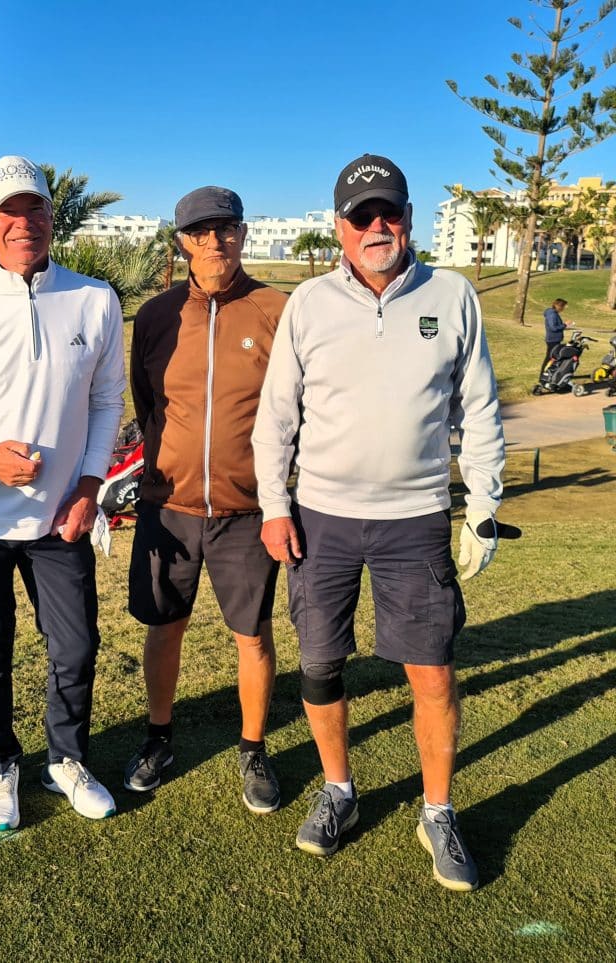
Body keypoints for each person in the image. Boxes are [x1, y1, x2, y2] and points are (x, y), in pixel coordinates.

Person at [253, 153, 510, 892]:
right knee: (320, 663)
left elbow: (480, 410)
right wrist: (274, 505)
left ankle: (437, 810)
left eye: (388, 212)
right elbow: (277, 416)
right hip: (322, 518)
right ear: (340, 226)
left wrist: (483, 507)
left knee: (431, 669)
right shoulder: (309, 303)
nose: (376, 227)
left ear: (408, 217)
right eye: (360, 215)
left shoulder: (452, 295)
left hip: (415, 517)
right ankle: (339, 789)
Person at [0, 155, 125, 831]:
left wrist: (90, 487)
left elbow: (107, 401)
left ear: (51, 215)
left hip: (60, 519)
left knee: (75, 647)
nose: (23, 223)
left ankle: (65, 759)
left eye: (34, 208)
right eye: (7, 212)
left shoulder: (95, 298)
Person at [123, 186, 288, 812]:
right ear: (182, 242)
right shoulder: (157, 315)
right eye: (200, 232)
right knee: (164, 628)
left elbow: (293, 406)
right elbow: (147, 403)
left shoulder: (276, 308)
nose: (215, 241)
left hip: (248, 510)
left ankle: (253, 747)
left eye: (226, 228)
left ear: (243, 233)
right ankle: (158, 737)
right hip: (170, 507)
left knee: (252, 634)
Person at [540, 298, 569, 378]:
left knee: (553, 358)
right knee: (550, 358)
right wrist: (564, 325)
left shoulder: (553, 313)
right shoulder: (552, 314)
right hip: (553, 340)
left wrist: (563, 326)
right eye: (563, 306)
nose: (564, 309)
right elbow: (553, 327)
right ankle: (543, 376)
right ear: (559, 306)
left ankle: (550, 375)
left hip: (554, 339)